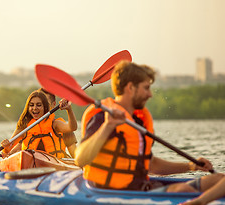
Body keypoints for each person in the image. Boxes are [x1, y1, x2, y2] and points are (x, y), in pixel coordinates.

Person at [75, 60, 224, 195]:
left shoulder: (137, 122)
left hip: (141, 188)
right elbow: (80, 159)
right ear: (130, 88)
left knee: (218, 179)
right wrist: (108, 126)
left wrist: (192, 166)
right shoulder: (102, 117)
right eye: (146, 88)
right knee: (184, 189)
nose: (150, 94)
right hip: (111, 192)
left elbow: (151, 164)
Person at [1, 90, 77, 158]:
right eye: (32, 105)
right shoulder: (25, 126)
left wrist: (69, 110)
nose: (35, 108)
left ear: (45, 106)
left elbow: (72, 127)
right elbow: (10, 148)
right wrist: (6, 148)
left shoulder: (55, 124)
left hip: (55, 163)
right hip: (30, 163)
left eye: (39, 105)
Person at [38, 88, 78, 158]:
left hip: (56, 164)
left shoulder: (58, 125)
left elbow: (76, 157)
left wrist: (69, 110)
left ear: (53, 105)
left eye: (46, 104)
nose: (43, 108)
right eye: (40, 104)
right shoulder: (28, 127)